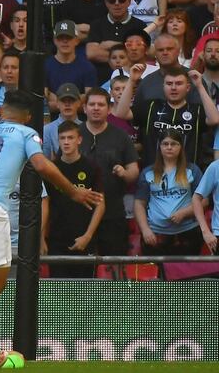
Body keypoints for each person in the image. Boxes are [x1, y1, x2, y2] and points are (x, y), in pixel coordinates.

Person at [0, 89, 102, 369]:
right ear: (27, 117)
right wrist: (73, 192)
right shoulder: (26, 133)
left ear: (0, 112)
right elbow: (41, 165)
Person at [113, 64, 219, 167]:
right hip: (153, 174)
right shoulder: (151, 106)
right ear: (163, 87)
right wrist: (131, 81)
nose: (173, 87)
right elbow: (121, 113)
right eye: (169, 83)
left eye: (178, 83)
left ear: (188, 88)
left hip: (188, 175)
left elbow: (215, 119)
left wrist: (200, 86)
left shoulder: (196, 110)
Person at [80, 87, 140, 256]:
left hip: (113, 213)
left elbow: (134, 171)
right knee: (80, 271)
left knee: (114, 266)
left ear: (109, 109)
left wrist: (124, 173)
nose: (96, 108)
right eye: (92, 104)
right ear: (84, 108)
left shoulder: (121, 136)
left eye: (101, 104)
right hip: (80, 213)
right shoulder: (74, 134)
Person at [45, 121, 105, 277]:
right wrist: (41, 238)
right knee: (58, 291)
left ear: (79, 140)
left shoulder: (91, 167)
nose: (66, 142)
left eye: (70, 138)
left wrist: (88, 235)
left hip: (84, 238)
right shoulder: (51, 169)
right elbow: (44, 204)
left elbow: (100, 204)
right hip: (57, 239)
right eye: (62, 138)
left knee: (84, 292)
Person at [136, 129, 204, 256]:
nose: (169, 147)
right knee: (158, 274)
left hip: (188, 233)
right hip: (156, 234)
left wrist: (184, 213)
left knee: (187, 275)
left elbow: (204, 201)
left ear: (180, 147)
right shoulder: (147, 172)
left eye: (174, 144)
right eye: (165, 144)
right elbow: (139, 203)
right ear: (159, 147)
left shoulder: (193, 170)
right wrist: (145, 230)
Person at [42, 83, 83, 159]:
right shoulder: (47, 130)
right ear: (57, 103)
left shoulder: (85, 128)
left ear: (79, 103)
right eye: (63, 101)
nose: (67, 104)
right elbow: (45, 159)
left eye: (71, 101)